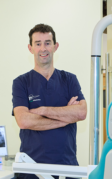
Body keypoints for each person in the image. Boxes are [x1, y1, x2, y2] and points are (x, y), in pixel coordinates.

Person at [12, 24, 87, 179]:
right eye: (38, 44)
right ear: (30, 48)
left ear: (55, 46)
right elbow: (24, 121)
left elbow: (81, 112)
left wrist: (43, 111)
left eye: (47, 43)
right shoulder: (21, 82)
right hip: (32, 168)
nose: (43, 48)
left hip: (67, 167)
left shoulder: (69, 79)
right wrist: (66, 116)